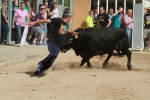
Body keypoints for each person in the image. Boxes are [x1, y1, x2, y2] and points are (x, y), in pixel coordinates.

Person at [26, 11, 77, 77]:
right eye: (71, 17)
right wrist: (34, 22)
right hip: (53, 43)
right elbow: (46, 20)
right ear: (68, 17)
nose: (71, 19)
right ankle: (40, 64)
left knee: (50, 63)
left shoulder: (65, 24)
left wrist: (74, 32)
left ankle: (38, 73)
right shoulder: (58, 20)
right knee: (53, 54)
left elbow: (67, 30)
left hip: (59, 45)